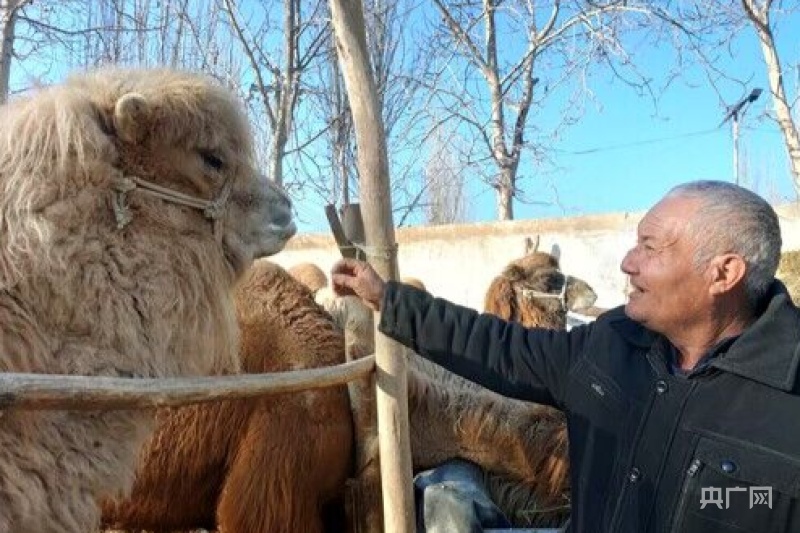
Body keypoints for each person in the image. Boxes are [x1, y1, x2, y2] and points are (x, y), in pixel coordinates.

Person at [331, 180, 800, 533]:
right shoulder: (614, 344)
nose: (627, 262)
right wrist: (388, 300)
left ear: (724, 273)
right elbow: (499, 347)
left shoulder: (788, 402)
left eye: (650, 248)